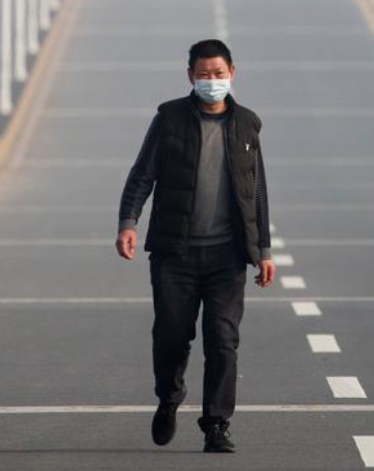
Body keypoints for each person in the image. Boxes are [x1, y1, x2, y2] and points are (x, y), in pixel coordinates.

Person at [116, 38, 276, 454]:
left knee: (223, 340)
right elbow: (142, 174)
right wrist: (128, 223)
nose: (212, 81)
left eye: (218, 74)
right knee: (171, 335)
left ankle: (216, 425)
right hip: (175, 253)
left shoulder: (247, 124)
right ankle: (169, 398)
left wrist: (264, 251)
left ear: (232, 74)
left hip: (227, 255)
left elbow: (256, 191)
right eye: (204, 74)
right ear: (190, 76)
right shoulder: (169, 118)